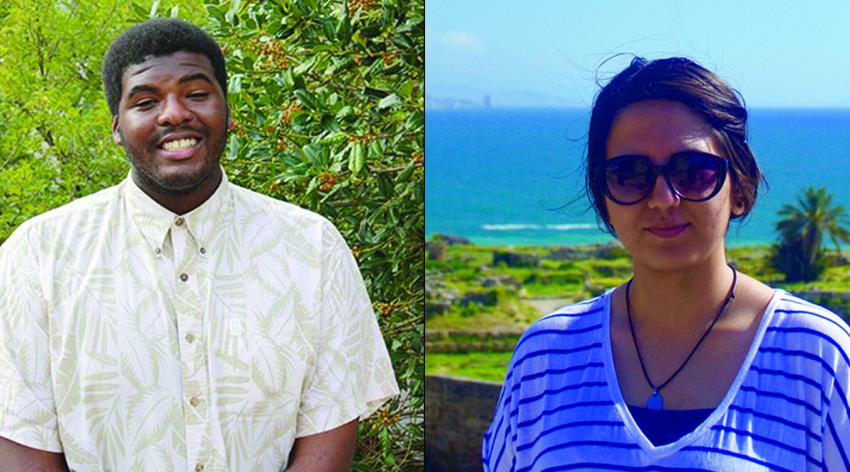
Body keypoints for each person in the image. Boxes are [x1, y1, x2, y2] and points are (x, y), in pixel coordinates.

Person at [0, 18, 398, 471]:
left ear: (227, 111)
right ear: (117, 127)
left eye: (195, 94)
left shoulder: (312, 248)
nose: (174, 114)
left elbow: (328, 434)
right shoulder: (38, 255)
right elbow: (20, 438)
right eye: (146, 101)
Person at [483, 56, 850, 470]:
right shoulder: (545, 358)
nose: (662, 198)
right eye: (630, 174)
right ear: (603, 195)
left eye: (693, 172)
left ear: (740, 187)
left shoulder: (819, 356)